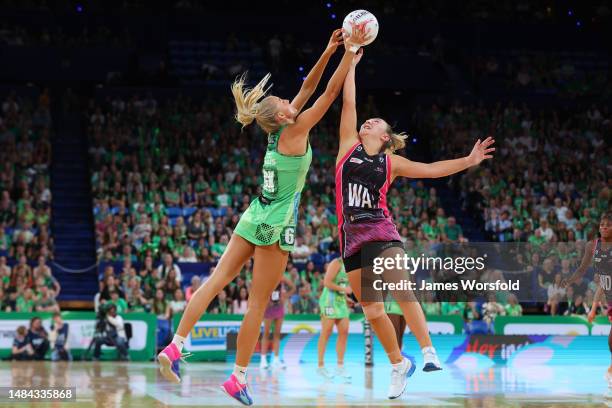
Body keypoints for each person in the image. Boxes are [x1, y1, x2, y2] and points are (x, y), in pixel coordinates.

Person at [158, 27, 369, 407]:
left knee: (215, 281)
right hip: (276, 224)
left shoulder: (277, 132)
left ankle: (176, 345)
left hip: (253, 214)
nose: (291, 98)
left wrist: (328, 49)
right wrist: (349, 56)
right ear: (284, 114)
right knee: (257, 304)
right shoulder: (296, 130)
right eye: (286, 100)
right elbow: (329, 94)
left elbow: (308, 87)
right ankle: (237, 378)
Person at [336, 49, 495, 399]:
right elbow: (349, 102)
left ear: (387, 137)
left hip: (380, 231)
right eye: (367, 121)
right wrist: (350, 61)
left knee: (401, 288)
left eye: (375, 122)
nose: (367, 122)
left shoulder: (392, 162)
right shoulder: (347, 146)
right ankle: (398, 365)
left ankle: (427, 352)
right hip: (350, 239)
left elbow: (433, 168)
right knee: (373, 309)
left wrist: (468, 160)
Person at [563, 212, 611, 388]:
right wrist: (592, 309)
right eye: (601, 224)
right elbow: (592, 276)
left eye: (608, 224)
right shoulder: (593, 246)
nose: (604, 227)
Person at [317, 257, 351, 381]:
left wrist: (347, 298)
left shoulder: (351, 264)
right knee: (326, 332)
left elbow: (341, 284)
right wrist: (345, 290)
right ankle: (320, 366)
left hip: (340, 302)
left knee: (344, 332)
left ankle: (340, 366)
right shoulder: (337, 262)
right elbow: (327, 282)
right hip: (329, 302)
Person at [260, 275, 295, 370]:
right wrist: (266, 300)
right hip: (268, 308)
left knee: (277, 334)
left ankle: (276, 360)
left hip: (279, 307)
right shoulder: (266, 277)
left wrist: (285, 296)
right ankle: (263, 360)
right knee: (266, 334)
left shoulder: (281, 277)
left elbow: (293, 287)